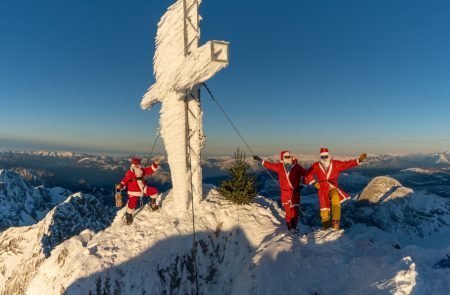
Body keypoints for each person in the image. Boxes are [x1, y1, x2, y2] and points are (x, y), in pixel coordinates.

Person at [305, 148, 367, 230]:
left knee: (335, 198)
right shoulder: (316, 165)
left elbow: (346, 164)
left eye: (326, 156)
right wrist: (314, 183)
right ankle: (326, 226)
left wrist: (358, 160)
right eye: (322, 157)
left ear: (329, 156)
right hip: (322, 188)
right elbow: (308, 174)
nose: (324, 158)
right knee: (324, 208)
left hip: (332, 187)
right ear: (320, 157)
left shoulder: (335, 164)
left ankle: (335, 223)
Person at [254, 151, 308, 232]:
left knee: (295, 212)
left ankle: (294, 227)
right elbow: (269, 166)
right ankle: (289, 227)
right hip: (285, 193)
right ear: (282, 158)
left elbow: (307, 174)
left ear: (291, 157)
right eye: (286, 157)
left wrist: (303, 185)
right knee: (288, 211)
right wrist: (260, 160)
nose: (287, 158)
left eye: (289, 156)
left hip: (295, 192)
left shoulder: (297, 166)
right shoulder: (279, 166)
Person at [116, 157, 162, 225]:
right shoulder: (130, 173)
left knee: (153, 191)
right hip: (136, 191)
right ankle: (129, 216)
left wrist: (155, 164)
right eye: (136, 164)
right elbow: (124, 182)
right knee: (132, 204)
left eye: (138, 164)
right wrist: (121, 185)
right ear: (133, 165)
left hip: (141, 189)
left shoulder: (141, 171)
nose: (137, 165)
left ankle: (152, 205)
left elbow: (150, 170)